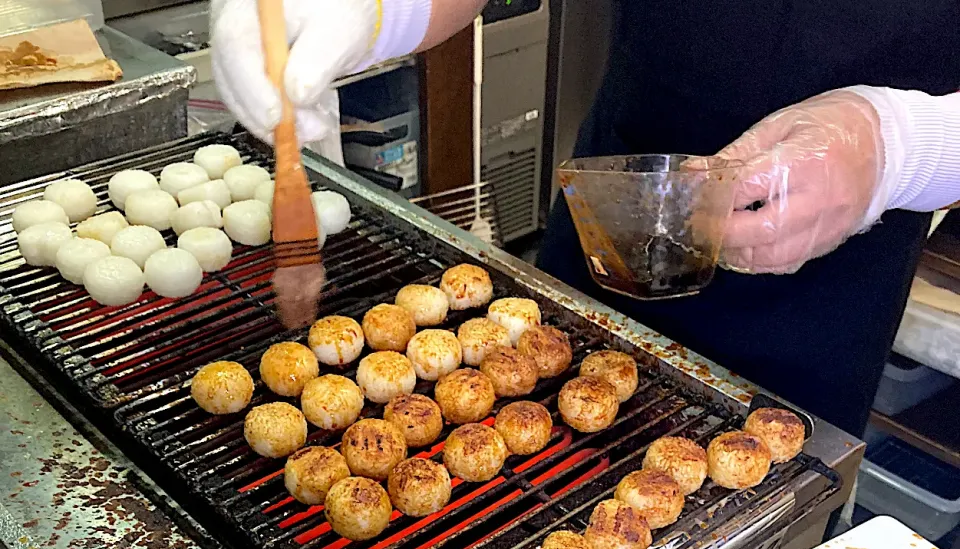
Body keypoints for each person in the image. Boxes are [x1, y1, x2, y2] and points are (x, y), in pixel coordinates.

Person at [210, 0, 960, 435]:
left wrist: (907, 146)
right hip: (616, 201)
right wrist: (382, 9)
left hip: (836, 255)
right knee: (536, 416)